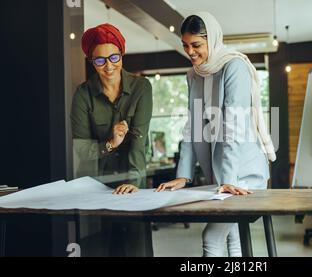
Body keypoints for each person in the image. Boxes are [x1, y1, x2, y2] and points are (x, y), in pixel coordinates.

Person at [155, 12, 276, 257]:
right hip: (220, 175)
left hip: (244, 174)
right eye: (186, 45)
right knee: (232, 237)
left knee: (212, 236)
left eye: (196, 45)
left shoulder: (235, 66)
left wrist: (229, 179)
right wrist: (184, 175)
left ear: (213, 39)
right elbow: (192, 126)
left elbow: (234, 125)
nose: (190, 52)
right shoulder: (193, 74)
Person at [70, 23, 153, 256]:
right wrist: (110, 144)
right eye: (100, 60)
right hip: (95, 186)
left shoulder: (141, 88)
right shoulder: (83, 95)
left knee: (135, 250)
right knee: (97, 249)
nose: (109, 66)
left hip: (132, 183)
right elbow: (81, 150)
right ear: (91, 62)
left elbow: (138, 140)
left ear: (122, 54)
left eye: (114, 57)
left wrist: (135, 183)